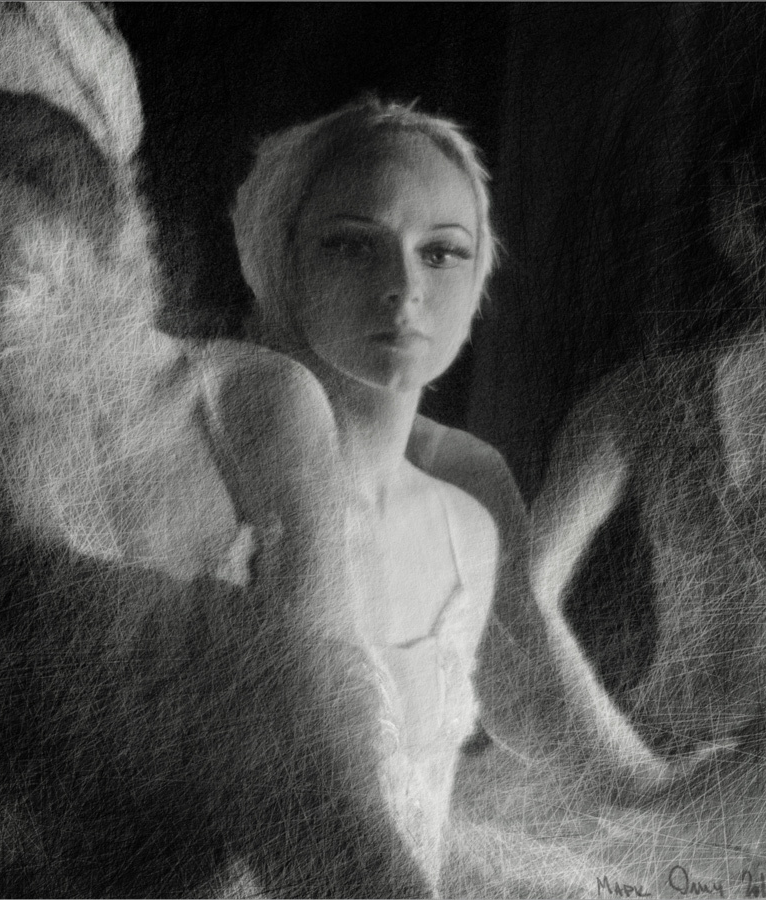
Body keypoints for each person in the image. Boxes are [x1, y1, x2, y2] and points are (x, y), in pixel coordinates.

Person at [230, 95, 526, 882]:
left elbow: (428, 824)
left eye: (442, 252)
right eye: (354, 245)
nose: (404, 286)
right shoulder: (226, 494)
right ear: (281, 263)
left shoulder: (467, 529)